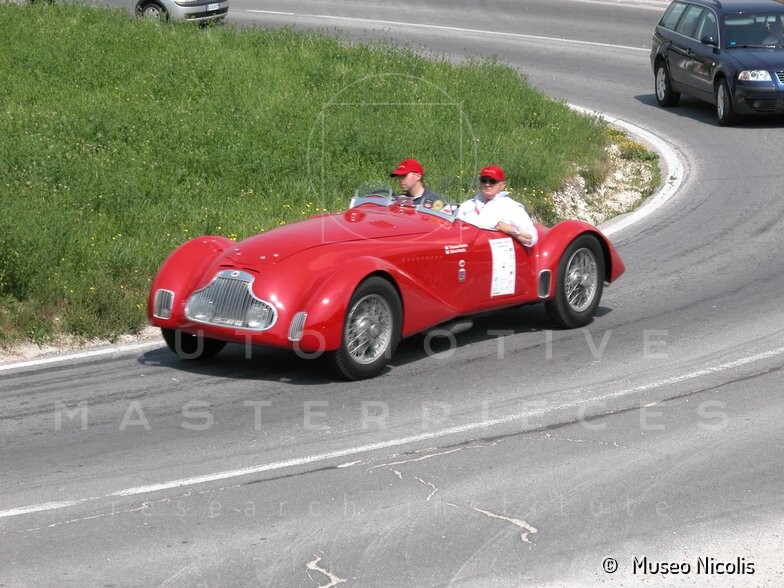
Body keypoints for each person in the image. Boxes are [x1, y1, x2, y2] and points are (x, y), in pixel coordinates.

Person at [456, 165, 538, 247]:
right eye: (484, 180)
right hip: (466, 247)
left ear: (502, 185)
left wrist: (509, 229)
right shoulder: (468, 205)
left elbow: (531, 238)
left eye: (492, 181)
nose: (487, 184)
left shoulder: (511, 207)